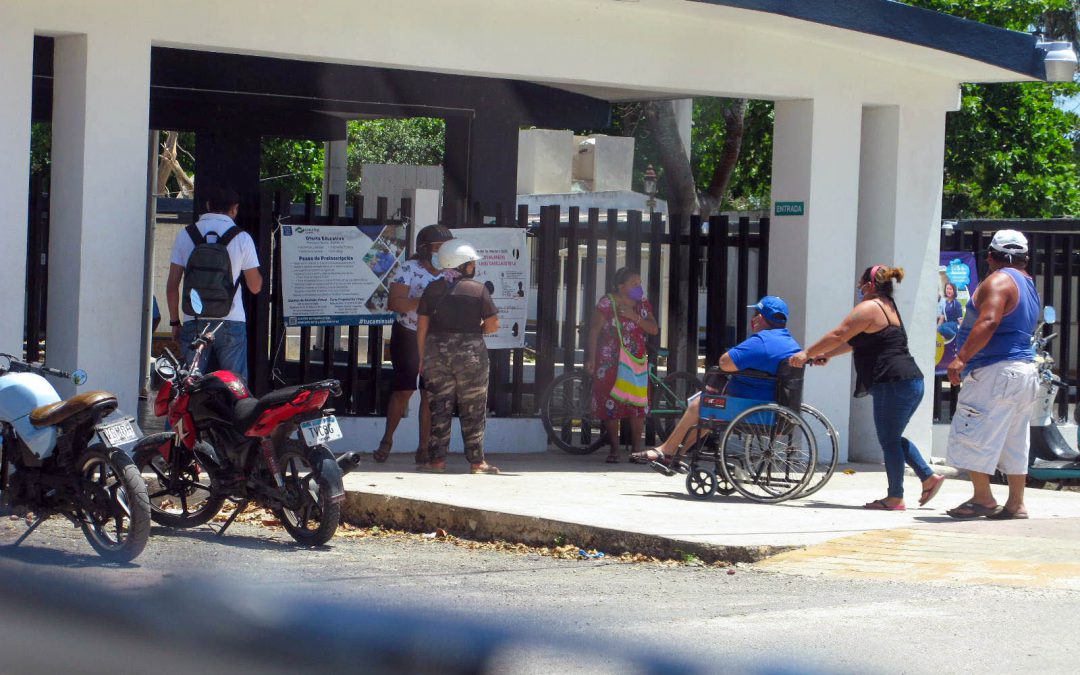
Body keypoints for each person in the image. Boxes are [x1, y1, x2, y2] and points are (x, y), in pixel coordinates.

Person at [791, 266, 945, 511]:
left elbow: (840, 333)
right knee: (891, 438)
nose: (859, 290)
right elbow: (854, 343)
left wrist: (807, 352)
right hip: (909, 382)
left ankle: (895, 497)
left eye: (861, 285)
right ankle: (927, 477)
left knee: (889, 440)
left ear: (870, 285)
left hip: (893, 383)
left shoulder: (870, 307)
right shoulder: (887, 306)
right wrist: (826, 355)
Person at [630, 296, 800, 463]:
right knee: (708, 407)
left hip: (749, 406)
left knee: (700, 404)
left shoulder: (761, 341)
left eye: (755, 314)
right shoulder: (791, 344)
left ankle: (665, 450)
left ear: (760, 318)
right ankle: (676, 453)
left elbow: (725, 363)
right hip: (773, 407)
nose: (753, 318)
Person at [943, 230, 1040, 520]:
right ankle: (1016, 502)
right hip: (1023, 370)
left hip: (996, 370)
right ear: (1025, 259)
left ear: (990, 256)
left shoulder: (998, 280)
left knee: (972, 429)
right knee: (1015, 437)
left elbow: (989, 320)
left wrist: (961, 358)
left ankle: (982, 499)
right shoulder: (1028, 284)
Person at [415, 239, 501, 474]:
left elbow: (422, 327)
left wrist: (423, 358)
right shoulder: (478, 290)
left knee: (439, 409)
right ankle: (476, 462)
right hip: (470, 356)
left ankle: (437, 462)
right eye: (471, 261)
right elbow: (493, 325)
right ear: (462, 264)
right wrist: (476, 331)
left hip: (436, 355)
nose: (474, 264)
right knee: (473, 408)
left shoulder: (432, 289)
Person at [373, 224, 453, 464]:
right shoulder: (409, 269)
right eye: (438, 248)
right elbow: (395, 303)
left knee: (429, 394)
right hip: (408, 334)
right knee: (404, 390)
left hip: (436, 339)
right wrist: (424, 301)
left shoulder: (452, 274)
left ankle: (424, 449)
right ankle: (387, 440)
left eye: (446, 248)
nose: (442, 253)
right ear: (426, 249)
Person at [166, 187, 262, 381]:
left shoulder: (186, 235)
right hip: (231, 320)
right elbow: (255, 287)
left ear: (208, 206)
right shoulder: (242, 238)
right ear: (234, 209)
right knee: (234, 385)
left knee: (188, 384)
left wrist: (175, 322)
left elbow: (172, 285)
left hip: (193, 320)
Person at [584, 267, 659, 463]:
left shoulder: (642, 304)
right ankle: (614, 450)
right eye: (634, 284)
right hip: (610, 361)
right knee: (611, 404)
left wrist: (634, 317)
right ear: (621, 286)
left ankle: (636, 450)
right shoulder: (607, 303)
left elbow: (653, 329)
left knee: (637, 404)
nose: (639, 287)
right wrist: (591, 358)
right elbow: (593, 331)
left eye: (639, 283)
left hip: (635, 360)